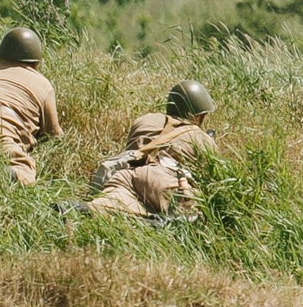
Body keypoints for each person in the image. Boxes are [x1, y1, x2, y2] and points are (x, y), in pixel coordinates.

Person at [86, 81, 216, 219]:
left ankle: (77, 208)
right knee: (189, 216)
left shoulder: (145, 120)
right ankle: (156, 222)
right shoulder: (202, 138)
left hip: (127, 174)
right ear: (196, 116)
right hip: (162, 179)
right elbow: (210, 180)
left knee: (102, 207)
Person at [0, 28, 61, 183]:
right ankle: (7, 174)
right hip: (1, 135)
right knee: (23, 171)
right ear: (35, 63)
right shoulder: (42, 84)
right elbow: (52, 135)